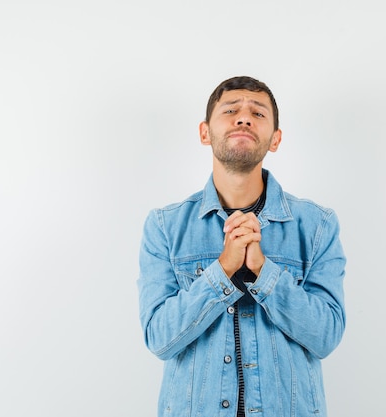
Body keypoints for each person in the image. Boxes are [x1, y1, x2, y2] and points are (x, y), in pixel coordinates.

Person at [138, 76, 346, 417]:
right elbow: (160, 338)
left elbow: (325, 336)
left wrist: (265, 273)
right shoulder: (165, 226)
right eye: (231, 110)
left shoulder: (317, 225)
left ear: (275, 139)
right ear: (205, 132)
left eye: (258, 113)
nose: (244, 118)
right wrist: (222, 272)